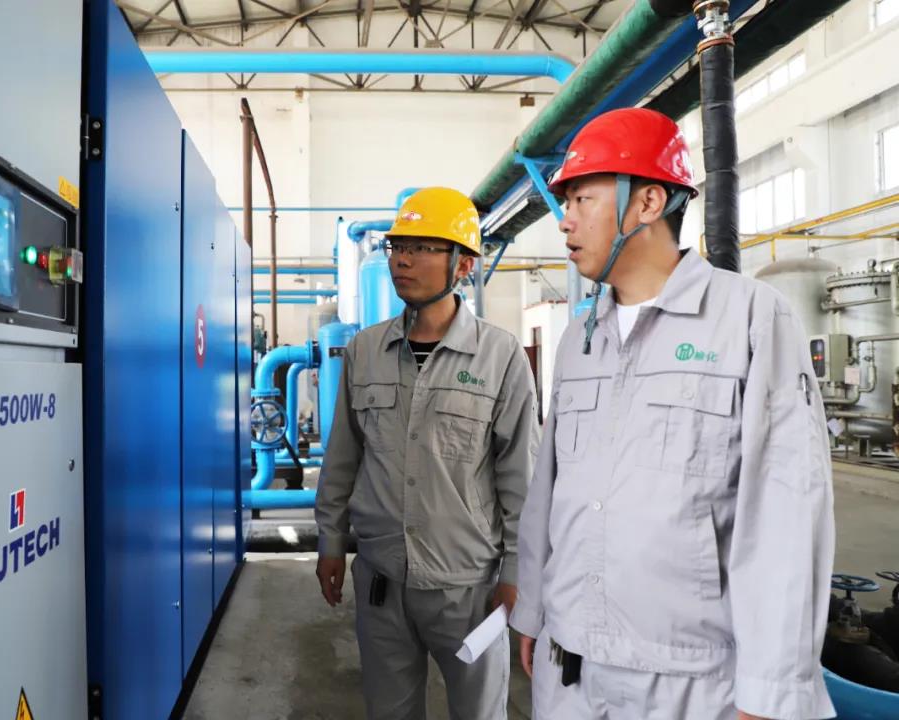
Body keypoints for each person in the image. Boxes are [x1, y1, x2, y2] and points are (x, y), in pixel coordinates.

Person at [511, 107, 836, 720]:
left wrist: (771, 687)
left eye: (581, 199)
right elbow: (548, 495)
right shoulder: (579, 337)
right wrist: (532, 608)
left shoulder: (750, 318)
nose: (565, 220)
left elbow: (787, 511)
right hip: (570, 667)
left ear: (648, 202)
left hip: (690, 682)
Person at [315, 186, 540, 720]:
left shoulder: (499, 356)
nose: (402, 260)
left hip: (467, 589)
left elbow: (520, 476)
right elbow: (343, 455)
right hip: (381, 581)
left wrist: (516, 571)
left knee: (478, 713)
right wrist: (331, 539)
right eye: (397, 246)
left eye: (422, 247)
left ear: (463, 264)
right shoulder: (365, 350)